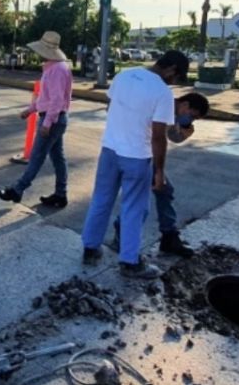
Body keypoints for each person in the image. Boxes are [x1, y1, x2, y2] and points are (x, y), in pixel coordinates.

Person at [81, 50, 189, 280]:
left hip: (109, 150)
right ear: (171, 69)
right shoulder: (162, 92)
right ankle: (130, 262)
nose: (174, 82)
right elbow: (158, 136)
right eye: (176, 77)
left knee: (101, 200)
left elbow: (110, 108)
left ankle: (90, 249)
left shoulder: (124, 75)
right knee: (133, 208)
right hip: (137, 157)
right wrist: (159, 170)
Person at [110, 92, 210, 257]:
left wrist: (185, 128)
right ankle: (124, 236)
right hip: (134, 154)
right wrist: (158, 170)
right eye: (192, 116)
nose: (190, 120)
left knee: (162, 191)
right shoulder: (161, 105)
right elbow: (156, 138)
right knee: (138, 198)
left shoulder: (174, 111)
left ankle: (167, 236)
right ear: (185, 104)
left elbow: (174, 137)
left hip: (143, 155)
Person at [0, 31, 74, 208]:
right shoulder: (55, 68)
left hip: (52, 119)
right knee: (58, 158)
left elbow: (56, 100)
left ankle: (17, 189)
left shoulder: (57, 70)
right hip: (56, 118)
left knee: (37, 156)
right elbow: (46, 98)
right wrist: (30, 110)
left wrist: (47, 123)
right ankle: (61, 194)